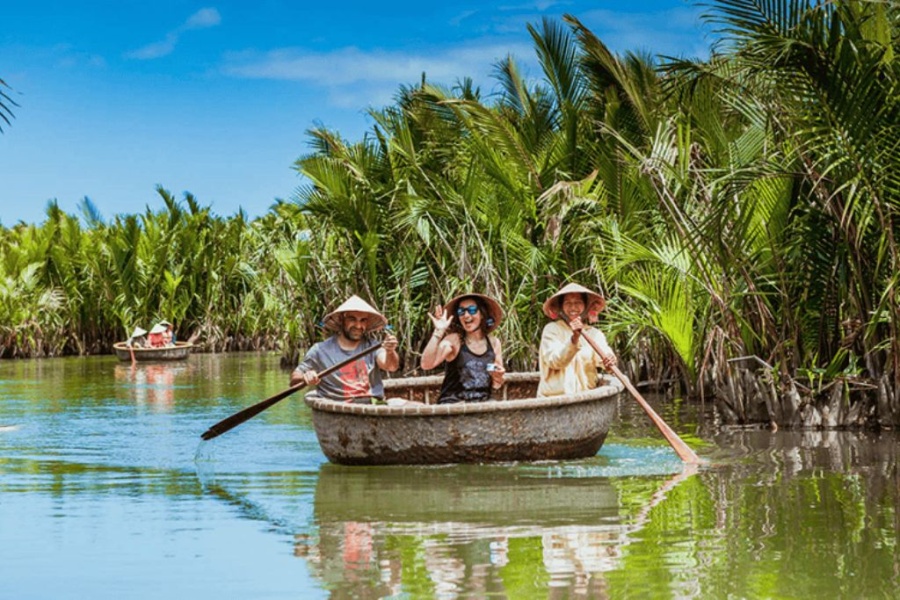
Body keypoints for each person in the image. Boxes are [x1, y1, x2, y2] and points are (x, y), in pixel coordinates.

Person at [290, 295, 400, 402]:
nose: (358, 326)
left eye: (363, 321)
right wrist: (305, 378)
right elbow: (295, 378)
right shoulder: (320, 350)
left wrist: (390, 351)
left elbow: (391, 366)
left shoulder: (373, 346)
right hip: (336, 409)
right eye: (352, 319)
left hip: (371, 406)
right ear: (342, 319)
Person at [420, 293, 505, 404]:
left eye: (472, 310)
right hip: (453, 406)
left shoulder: (494, 343)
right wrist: (438, 332)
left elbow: (497, 384)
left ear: (482, 314)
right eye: (461, 311)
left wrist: (498, 377)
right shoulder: (454, 340)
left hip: (482, 406)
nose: (466, 315)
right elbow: (426, 364)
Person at [537, 282, 617, 397]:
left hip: (586, 396)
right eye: (567, 303)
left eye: (578, 302)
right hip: (554, 398)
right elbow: (555, 362)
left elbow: (604, 356)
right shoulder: (552, 330)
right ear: (561, 307)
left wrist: (609, 361)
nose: (573, 307)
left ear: (586, 306)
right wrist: (574, 339)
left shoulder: (594, 334)